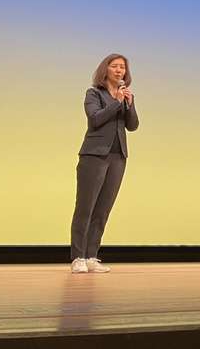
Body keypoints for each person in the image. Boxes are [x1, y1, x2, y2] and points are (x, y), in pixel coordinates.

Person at [69, 53, 139, 274]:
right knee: (86, 207)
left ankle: (91, 256)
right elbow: (95, 119)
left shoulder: (124, 95)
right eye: (115, 66)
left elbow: (133, 126)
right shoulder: (94, 93)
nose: (119, 71)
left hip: (118, 157)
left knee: (103, 209)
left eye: (122, 67)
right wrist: (116, 102)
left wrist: (129, 104)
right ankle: (78, 257)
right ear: (105, 69)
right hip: (94, 155)